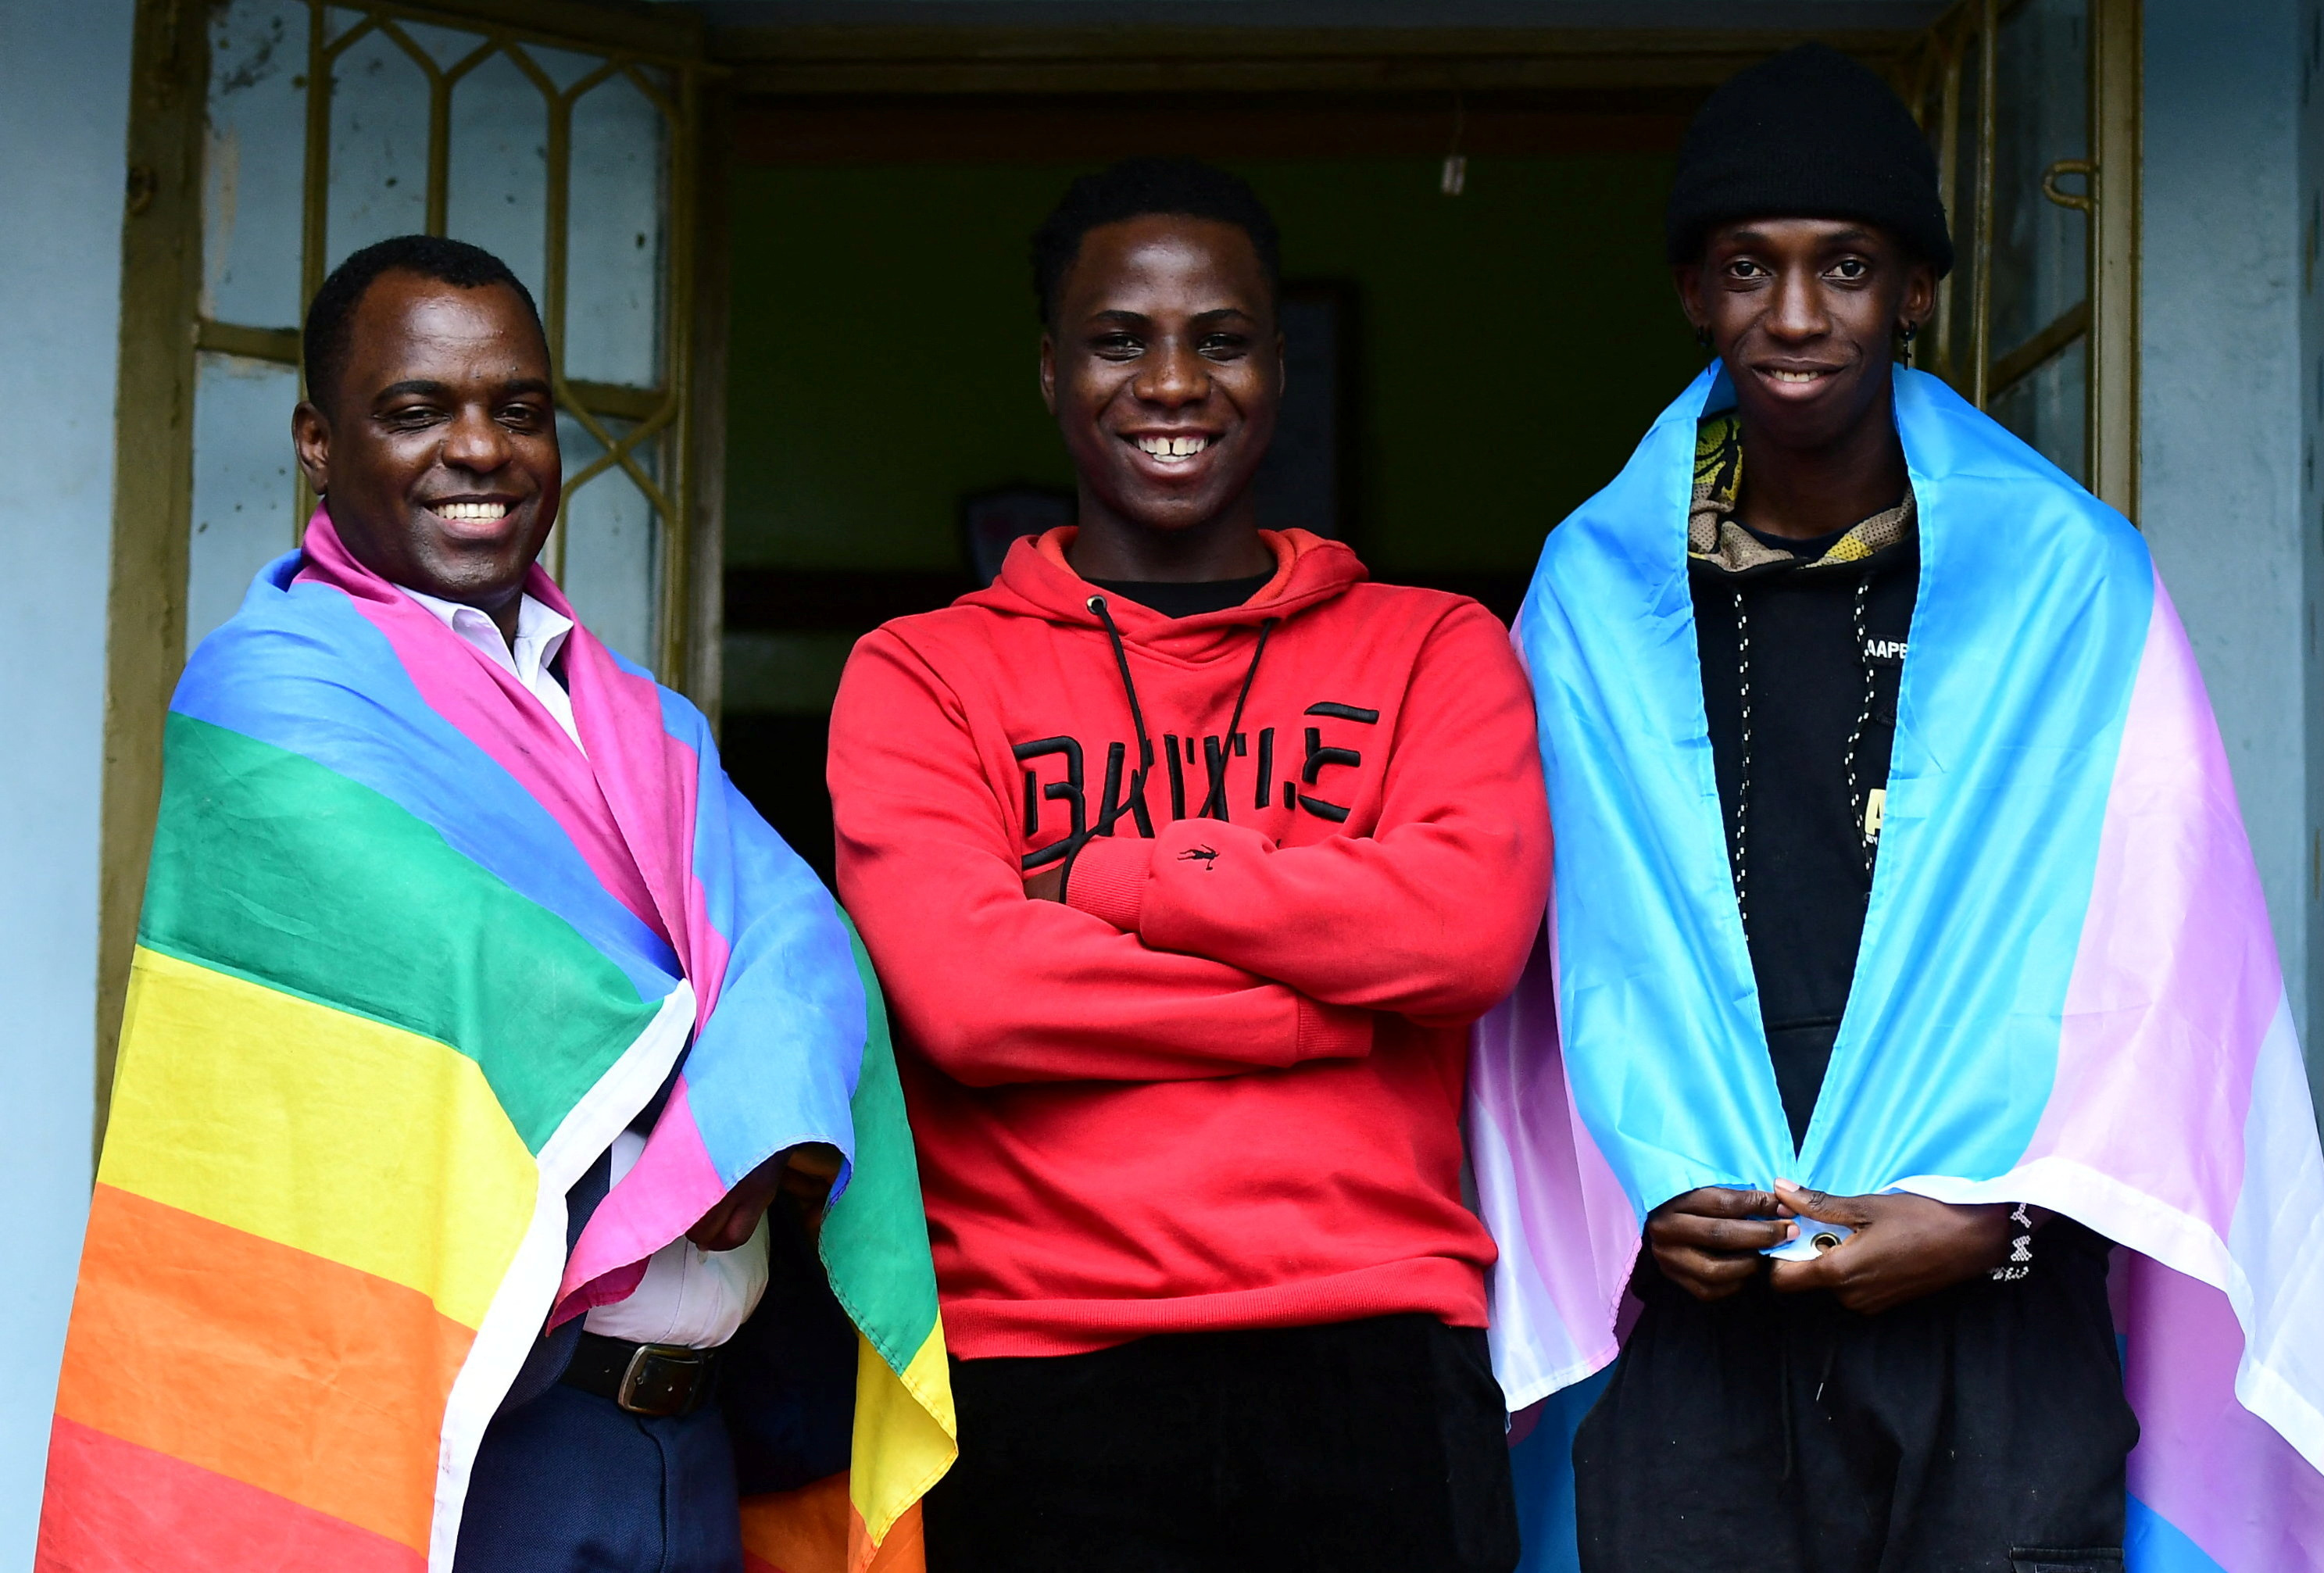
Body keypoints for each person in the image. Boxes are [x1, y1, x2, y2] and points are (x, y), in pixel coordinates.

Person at [1468, 44, 2324, 1573]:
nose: (1795, 314)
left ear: (1915, 294)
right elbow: (1532, 975)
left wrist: (1996, 1222)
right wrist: (1637, 1193)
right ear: (1693, 293)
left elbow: (2168, 981)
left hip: (1993, 1322)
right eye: (1747, 267)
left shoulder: (2065, 578)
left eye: (1846, 265)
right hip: (1700, 1330)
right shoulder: (1591, 594)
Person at [35, 236, 949, 1573]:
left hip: (692, 1448)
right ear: (316, 441)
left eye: (518, 410)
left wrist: (748, 1115)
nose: (480, 449)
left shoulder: (639, 715)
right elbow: (501, 968)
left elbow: (804, 939)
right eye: (418, 410)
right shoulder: (274, 700)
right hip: (482, 1446)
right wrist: (722, 1099)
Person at [827, 158, 1550, 1572]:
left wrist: (1109, 886)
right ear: (1052, 370)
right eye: (1120, 340)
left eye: (1219, 340)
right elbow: (973, 999)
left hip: (1375, 1345)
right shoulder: (922, 671)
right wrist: (1329, 995)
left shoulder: (1435, 646)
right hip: (1041, 1359)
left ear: (1278, 367)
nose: (1172, 383)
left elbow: (1464, 936)